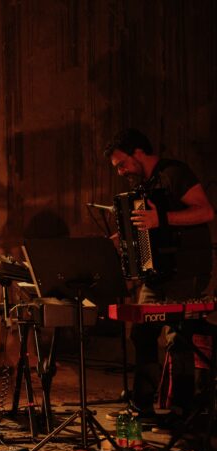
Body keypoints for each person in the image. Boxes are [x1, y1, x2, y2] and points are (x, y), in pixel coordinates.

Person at [104, 128, 214, 420]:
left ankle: (182, 410)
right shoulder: (147, 185)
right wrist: (123, 238)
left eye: (122, 164)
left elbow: (205, 212)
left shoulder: (175, 173)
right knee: (142, 333)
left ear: (138, 152)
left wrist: (160, 219)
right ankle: (142, 406)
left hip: (186, 269)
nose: (121, 171)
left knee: (178, 337)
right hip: (158, 274)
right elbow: (147, 226)